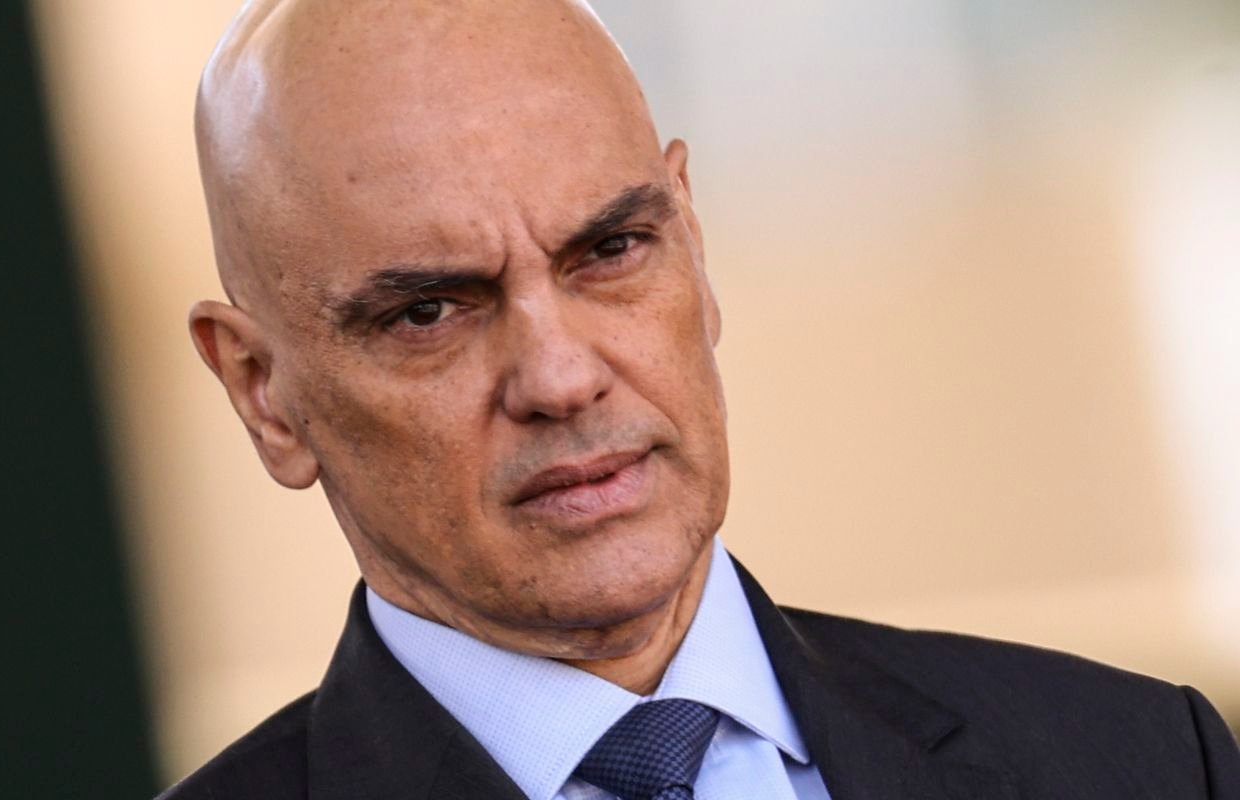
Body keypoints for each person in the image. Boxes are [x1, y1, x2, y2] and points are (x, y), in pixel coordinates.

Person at [162, 0, 1240, 797]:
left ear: (693, 240)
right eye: (429, 311)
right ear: (263, 394)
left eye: (611, 249)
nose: (561, 378)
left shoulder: (1141, 760)